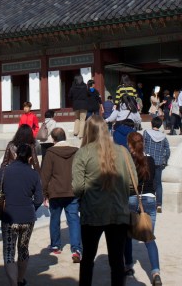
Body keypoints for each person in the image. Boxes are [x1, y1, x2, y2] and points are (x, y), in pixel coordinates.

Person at [72, 115, 135, 286]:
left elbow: (77, 188)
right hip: (118, 212)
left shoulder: (83, 153)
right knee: (117, 261)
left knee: (88, 259)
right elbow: (132, 184)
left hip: (92, 213)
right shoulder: (123, 151)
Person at [0, 142, 43, 285]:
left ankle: (13, 283)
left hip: (9, 216)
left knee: (9, 252)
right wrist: (31, 207)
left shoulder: (5, 171)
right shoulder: (34, 174)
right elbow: (39, 199)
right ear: (30, 158)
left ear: (15, 155)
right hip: (27, 217)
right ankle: (21, 279)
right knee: (23, 249)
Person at [124, 132, 163, 286]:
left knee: (127, 235)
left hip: (132, 197)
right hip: (149, 198)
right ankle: (155, 272)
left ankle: (127, 266)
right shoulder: (151, 160)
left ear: (129, 144)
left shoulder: (128, 161)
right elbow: (153, 180)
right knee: (149, 237)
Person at [40, 127, 82, 262]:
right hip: (72, 190)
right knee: (74, 219)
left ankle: (56, 245)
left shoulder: (50, 153)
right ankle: (76, 248)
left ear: (53, 139)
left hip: (55, 191)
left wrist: (44, 193)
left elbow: (45, 175)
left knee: (55, 219)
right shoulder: (76, 151)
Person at [143, 117, 170, 213]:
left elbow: (142, 145)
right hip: (158, 162)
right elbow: (167, 150)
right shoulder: (163, 136)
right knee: (158, 184)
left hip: (147, 161)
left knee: (147, 182)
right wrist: (165, 160)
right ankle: (159, 204)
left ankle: (148, 203)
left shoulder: (146, 133)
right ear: (160, 125)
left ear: (151, 123)